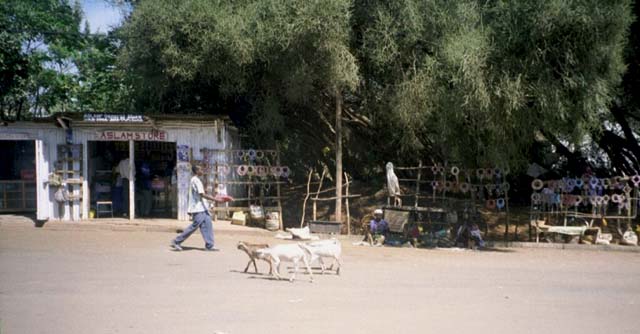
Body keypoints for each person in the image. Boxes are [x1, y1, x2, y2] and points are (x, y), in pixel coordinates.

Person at [171, 165, 232, 251]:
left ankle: (209, 245)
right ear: (196, 171)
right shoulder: (195, 180)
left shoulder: (196, 180)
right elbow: (202, 194)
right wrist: (215, 199)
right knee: (194, 226)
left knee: (208, 224)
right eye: (200, 169)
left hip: (202, 208)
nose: (202, 171)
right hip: (197, 208)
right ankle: (176, 241)